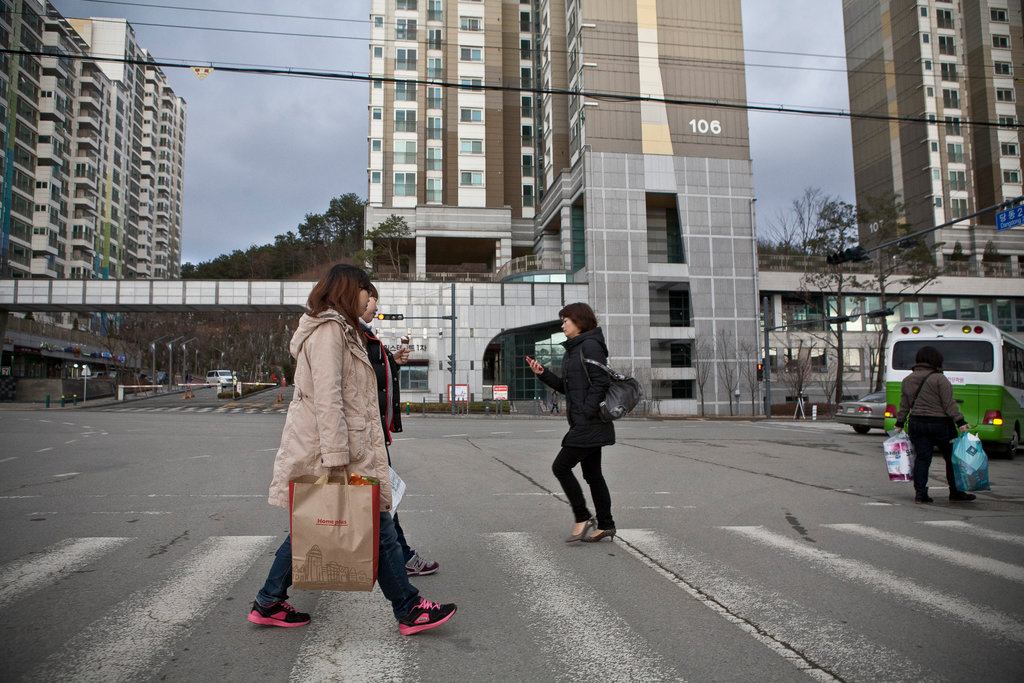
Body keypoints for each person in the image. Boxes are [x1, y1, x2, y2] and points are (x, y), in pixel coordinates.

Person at [248, 264, 456, 634]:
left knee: (314, 526)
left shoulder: (344, 331)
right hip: (339, 451)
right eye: (366, 290)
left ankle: (268, 601)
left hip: (348, 446)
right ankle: (408, 608)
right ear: (348, 290)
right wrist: (337, 460)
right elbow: (328, 398)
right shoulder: (329, 332)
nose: (370, 298)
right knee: (376, 527)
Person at [361, 284, 439, 577]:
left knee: (382, 504)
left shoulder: (363, 334)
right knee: (381, 505)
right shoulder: (350, 334)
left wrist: (392, 362)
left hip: (372, 433)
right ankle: (402, 565)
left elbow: (372, 378)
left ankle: (401, 562)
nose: (376, 308)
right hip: (364, 436)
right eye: (372, 301)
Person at [527, 302, 617, 542]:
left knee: (561, 467)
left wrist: (586, 413)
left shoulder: (590, 345)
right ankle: (606, 524)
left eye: (565, 320)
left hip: (589, 423)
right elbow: (567, 388)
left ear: (579, 321)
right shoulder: (574, 349)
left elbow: (601, 382)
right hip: (585, 422)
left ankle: (583, 516)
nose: (562, 325)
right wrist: (542, 373)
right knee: (593, 475)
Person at [894, 345, 974, 504]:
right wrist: (960, 421)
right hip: (941, 424)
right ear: (936, 360)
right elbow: (948, 404)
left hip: (917, 423)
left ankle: (921, 494)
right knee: (952, 458)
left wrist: (900, 423)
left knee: (922, 459)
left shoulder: (907, 380)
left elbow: (904, 405)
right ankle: (956, 492)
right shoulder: (940, 379)